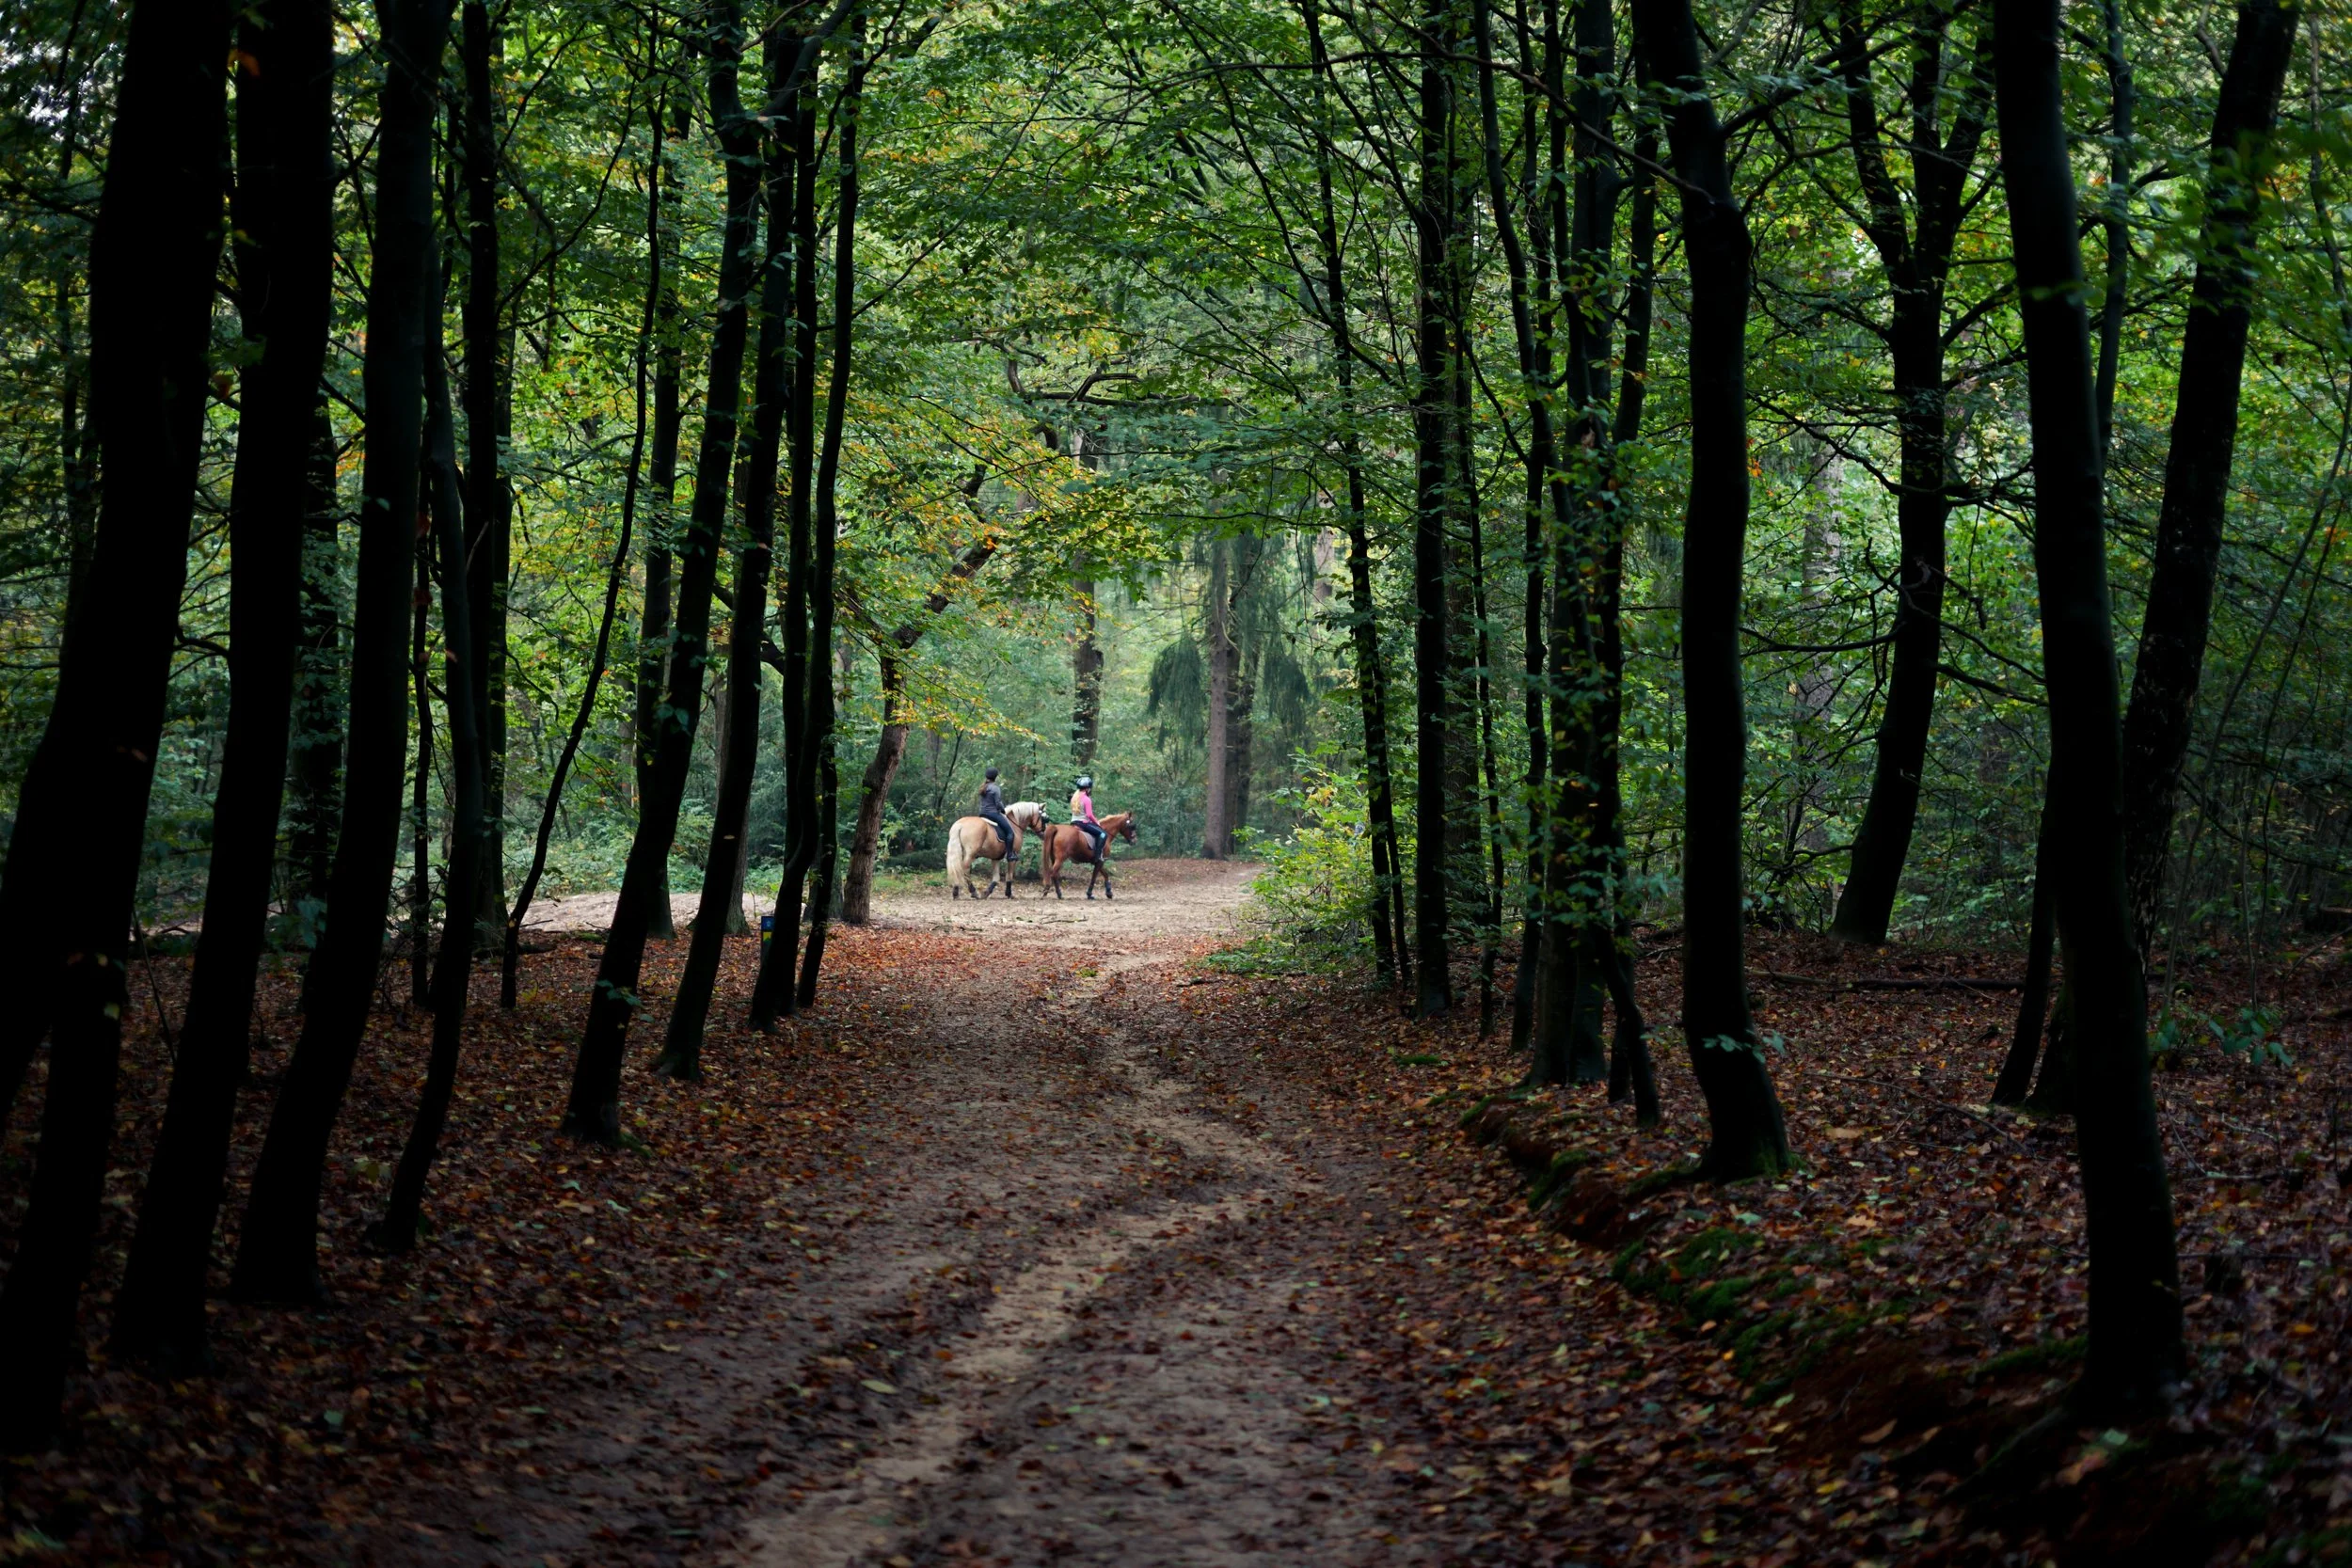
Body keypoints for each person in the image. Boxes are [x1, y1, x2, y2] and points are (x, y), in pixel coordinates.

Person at [976, 768, 1015, 857]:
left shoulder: (983, 787)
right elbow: (998, 803)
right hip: (993, 814)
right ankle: (1010, 854)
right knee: (1010, 832)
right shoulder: (995, 788)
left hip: (982, 813)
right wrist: (1003, 810)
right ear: (995, 777)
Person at [1069, 774, 1106, 863]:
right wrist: (1097, 822)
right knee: (1103, 835)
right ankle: (1097, 857)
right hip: (1083, 823)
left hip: (1073, 822)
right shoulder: (1086, 799)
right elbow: (1089, 815)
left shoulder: (1074, 798)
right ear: (1087, 788)